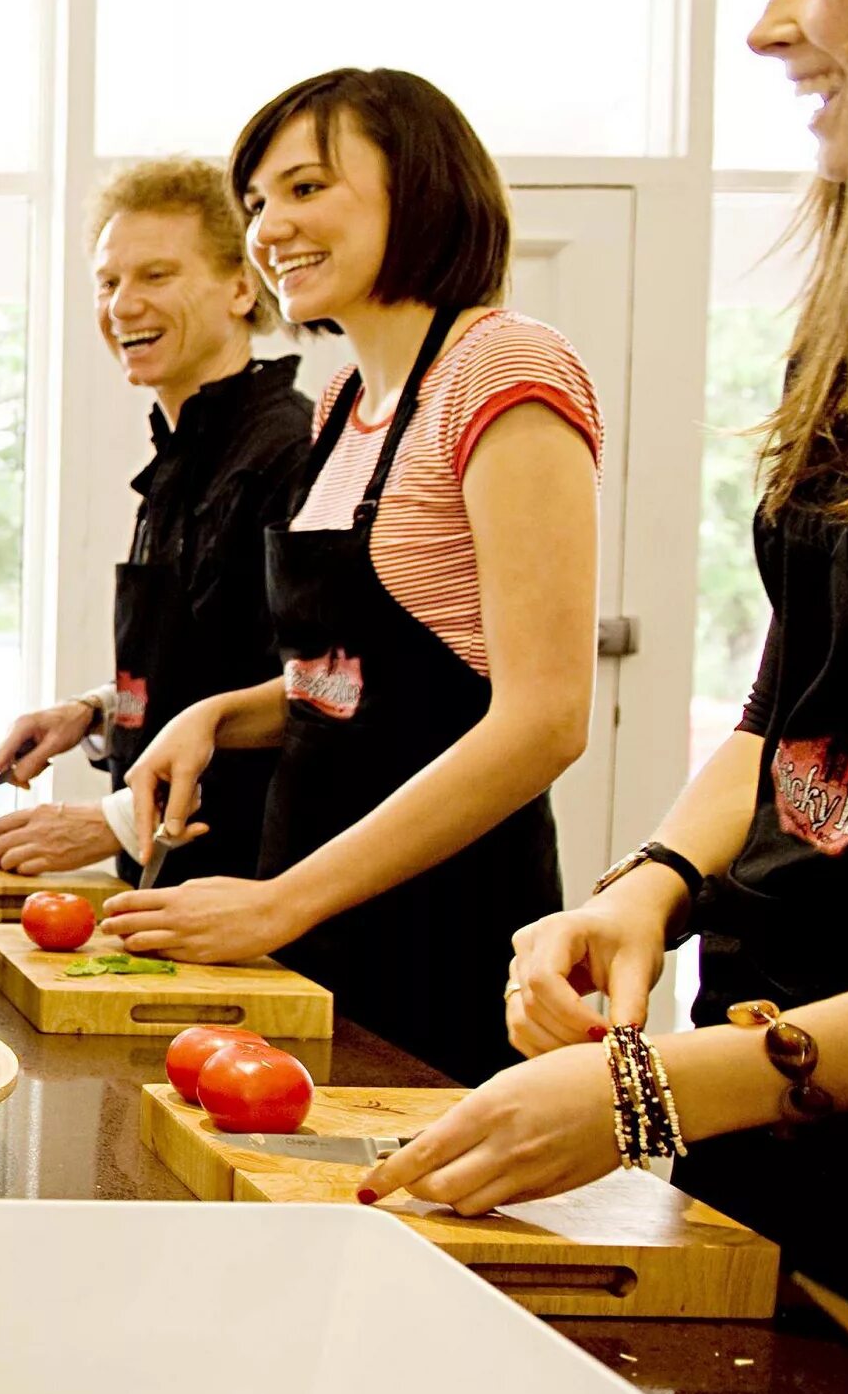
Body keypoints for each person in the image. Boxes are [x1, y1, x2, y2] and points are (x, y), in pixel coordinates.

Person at [364, 0, 848, 1357]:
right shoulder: (845, 325)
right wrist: (651, 886)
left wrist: (670, 1084)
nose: (767, 21)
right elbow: (789, 709)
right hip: (792, 1113)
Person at [102, 70, 603, 1083]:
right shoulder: (341, 405)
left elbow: (545, 719)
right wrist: (216, 716)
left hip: (440, 929)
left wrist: (283, 899)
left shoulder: (505, 370)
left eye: (305, 189)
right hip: (315, 919)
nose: (270, 227)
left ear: (416, 186)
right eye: (256, 204)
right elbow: (344, 682)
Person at [0, 159, 309, 886]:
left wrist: (113, 823)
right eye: (108, 281)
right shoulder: (178, 459)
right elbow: (209, 657)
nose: (123, 305)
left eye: (156, 276)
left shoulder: (288, 451)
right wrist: (96, 712)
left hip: (254, 886)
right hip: (170, 883)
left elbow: (315, 693)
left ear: (242, 284)